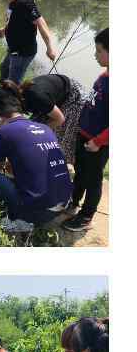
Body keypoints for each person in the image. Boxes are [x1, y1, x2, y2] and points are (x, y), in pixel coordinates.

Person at [0, 86, 73, 234]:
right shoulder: (44, 128)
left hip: (37, 212)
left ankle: (21, 221)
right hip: (62, 203)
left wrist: (0, 143)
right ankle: (30, 214)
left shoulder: (4, 132)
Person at [64, 29, 108, 232]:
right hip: (84, 135)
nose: (95, 55)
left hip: (97, 143)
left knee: (93, 179)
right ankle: (73, 202)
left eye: (99, 51)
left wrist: (98, 142)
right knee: (80, 172)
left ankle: (87, 216)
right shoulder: (104, 75)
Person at [0, 0, 56, 83]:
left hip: (23, 53)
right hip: (14, 49)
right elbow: (14, 22)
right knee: (4, 68)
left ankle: (10, 99)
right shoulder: (13, 1)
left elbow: (41, 23)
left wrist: (49, 48)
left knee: (13, 81)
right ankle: (1, 96)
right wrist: (4, 30)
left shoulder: (25, 3)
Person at [18, 71, 86, 164]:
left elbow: (60, 119)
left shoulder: (38, 97)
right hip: (52, 98)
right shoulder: (21, 94)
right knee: (32, 127)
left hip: (71, 97)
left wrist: (39, 130)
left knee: (59, 136)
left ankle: (54, 163)